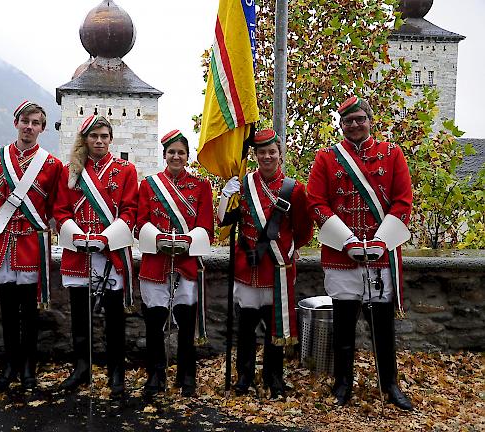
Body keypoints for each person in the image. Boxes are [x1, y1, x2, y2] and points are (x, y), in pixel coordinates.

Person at [306, 95, 413, 410]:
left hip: (380, 254)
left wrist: (381, 241)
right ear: (342, 125)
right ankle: (342, 385)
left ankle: (389, 384)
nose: (354, 125)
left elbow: (403, 200)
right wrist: (347, 240)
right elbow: (316, 202)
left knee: (382, 325)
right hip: (342, 256)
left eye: (359, 119)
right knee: (343, 325)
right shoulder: (326, 158)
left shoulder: (392, 154)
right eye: (348, 121)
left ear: (370, 119)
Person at [218, 129, 313, 397]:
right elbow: (224, 221)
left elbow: (304, 229)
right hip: (248, 267)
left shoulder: (293, 189)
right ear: (256, 155)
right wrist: (226, 195)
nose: (267, 156)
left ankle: (275, 380)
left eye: (272, 151)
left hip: (277, 268)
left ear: (280, 154)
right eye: (262, 152)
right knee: (245, 329)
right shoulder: (244, 184)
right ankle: (244, 378)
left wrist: (290, 251)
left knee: (276, 331)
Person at [54, 115, 138, 396]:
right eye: (93, 136)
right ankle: (82, 368)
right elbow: (61, 211)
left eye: (104, 136)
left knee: (114, 317)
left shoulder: (126, 170)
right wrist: (77, 236)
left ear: (110, 139)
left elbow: (129, 211)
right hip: (79, 252)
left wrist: (105, 238)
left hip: (111, 251)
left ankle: (116, 372)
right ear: (85, 139)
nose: (99, 141)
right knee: (80, 316)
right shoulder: (71, 172)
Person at [0, 101, 63, 391]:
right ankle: (10, 365)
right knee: (7, 310)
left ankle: (29, 367)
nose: (29, 127)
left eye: (36, 122)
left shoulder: (52, 165)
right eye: (25, 121)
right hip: (3, 243)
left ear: (42, 128)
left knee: (30, 312)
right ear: (16, 122)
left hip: (32, 244)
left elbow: (55, 206)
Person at [136, 130, 214, 397]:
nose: (176, 156)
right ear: (165, 155)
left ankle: (186, 375)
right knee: (155, 321)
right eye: (172, 152)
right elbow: (141, 221)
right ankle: (155, 375)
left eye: (181, 152)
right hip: (155, 262)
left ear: (187, 156)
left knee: (185, 320)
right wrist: (157, 239)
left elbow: (206, 225)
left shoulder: (202, 186)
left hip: (186, 262)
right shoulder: (149, 185)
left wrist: (186, 241)